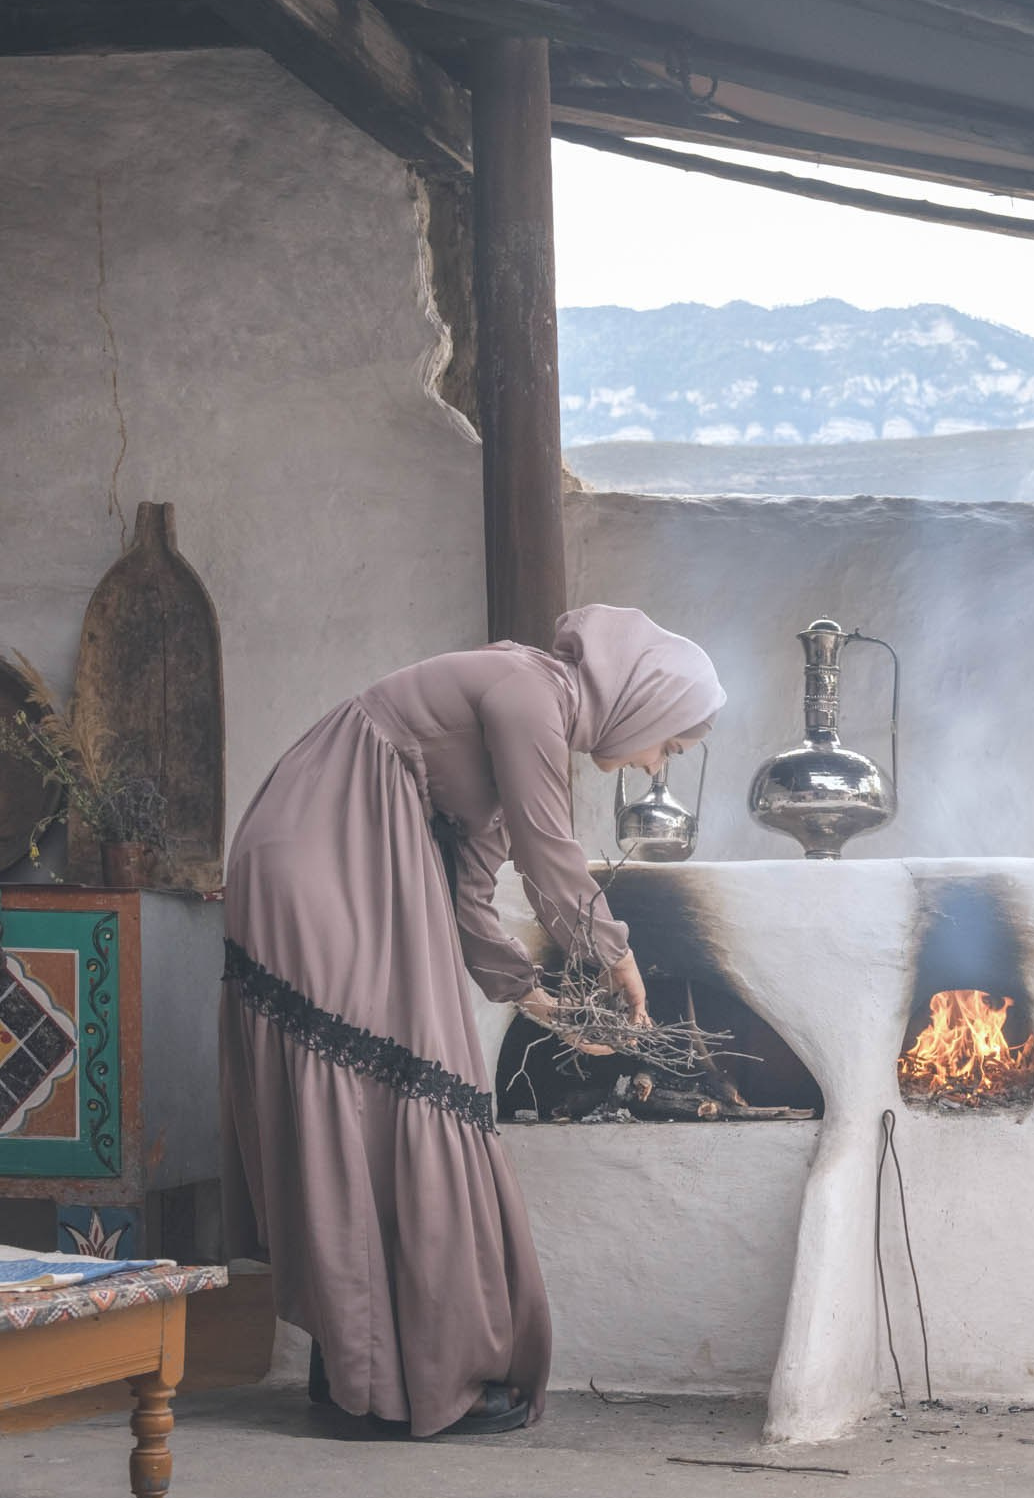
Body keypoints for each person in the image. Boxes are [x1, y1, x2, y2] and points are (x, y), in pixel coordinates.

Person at [218, 604, 723, 1437]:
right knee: (388, 1083)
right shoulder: (531, 692)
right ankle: (382, 1379)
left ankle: (359, 1359)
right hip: (315, 852)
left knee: (388, 1089)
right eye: (670, 744)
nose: (656, 765)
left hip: (349, 859)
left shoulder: (528, 719)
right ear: (645, 699)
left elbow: (474, 895)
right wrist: (617, 955)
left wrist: (543, 1002)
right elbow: (547, 850)